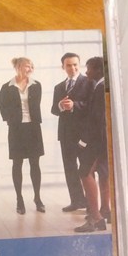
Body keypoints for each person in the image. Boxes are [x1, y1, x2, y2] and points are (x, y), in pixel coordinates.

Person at [0, 57, 45, 214]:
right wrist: (12, 120)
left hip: (33, 128)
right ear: (18, 67)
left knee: (35, 163)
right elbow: (2, 108)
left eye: (31, 66)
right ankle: (19, 199)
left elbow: (36, 105)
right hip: (16, 129)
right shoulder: (6, 87)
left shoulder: (37, 85)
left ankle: (37, 198)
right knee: (17, 163)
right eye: (27, 66)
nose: (30, 69)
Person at [74, 57, 111, 233]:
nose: (86, 71)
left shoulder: (100, 88)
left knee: (84, 172)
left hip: (97, 141)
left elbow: (97, 120)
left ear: (98, 70)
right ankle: (104, 210)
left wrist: (83, 142)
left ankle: (96, 218)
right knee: (104, 173)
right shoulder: (102, 86)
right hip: (105, 140)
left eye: (89, 68)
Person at [51, 52, 91, 212]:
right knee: (70, 168)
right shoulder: (59, 87)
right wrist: (60, 106)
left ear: (79, 65)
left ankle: (91, 204)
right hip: (66, 134)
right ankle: (77, 201)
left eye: (75, 64)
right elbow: (54, 110)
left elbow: (92, 106)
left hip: (84, 134)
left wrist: (75, 105)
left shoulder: (89, 82)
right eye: (68, 65)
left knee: (86, 169)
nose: (72, 68)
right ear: (63, 67)